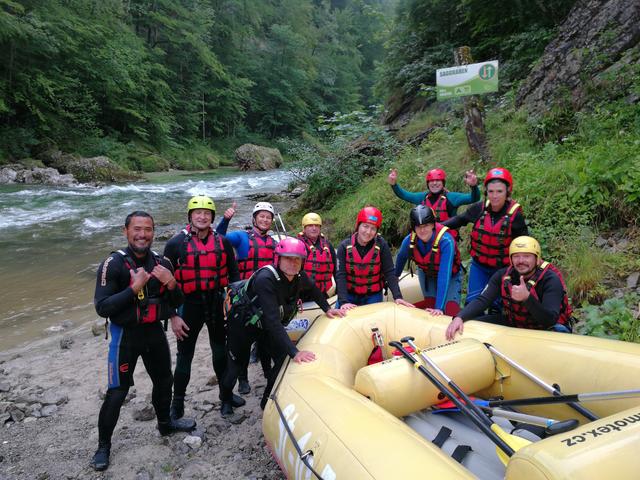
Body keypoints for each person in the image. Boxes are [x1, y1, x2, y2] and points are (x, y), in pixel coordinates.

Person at [91, 211, 195, 471]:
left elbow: (177, 302)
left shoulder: (162, 263)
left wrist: (171, 284)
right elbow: (102, 307)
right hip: (125, 336)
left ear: (153, 232)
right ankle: (103, 446)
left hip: (153, 334)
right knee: (117, 392)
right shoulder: (113, 264)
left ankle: (165, 424)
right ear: (125, 231)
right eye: (137, 229)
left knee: (164, 381)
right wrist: (133, 288)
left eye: (147, 229)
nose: (142, 234)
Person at [219, 237, 345, 415]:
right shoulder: (266, 278)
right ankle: (225, 399)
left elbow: (314, 290)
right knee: (236, 365)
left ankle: (266, 400)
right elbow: (273, 320)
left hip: (265, 325)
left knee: (281, 361)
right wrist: (295, 352)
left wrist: (327, 309)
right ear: (278, 258)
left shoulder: (299, 276)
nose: (293, 263)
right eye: (288, 258)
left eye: (297, 259)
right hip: (243, 324)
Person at [163, 195, 245, 421]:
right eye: (197, 213)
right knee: (184, 357)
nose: (202, 216)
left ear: (212, 218)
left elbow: (234, 272)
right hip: (188, 305)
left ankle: (226, 396)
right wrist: (171, 315)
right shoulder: (175, 244)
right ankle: (177, 403)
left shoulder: (222, 241)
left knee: (220, 353)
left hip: (216, 303)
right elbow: (162, 282)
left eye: (207, 213)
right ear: (190, 216)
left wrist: (234, 295)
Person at [445, 236, 573, 340]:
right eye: (516, 256)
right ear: (511, 259)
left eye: (527, 256)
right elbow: (482, 300)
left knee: (558, 330)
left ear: (537, 259)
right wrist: (459, 317)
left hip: (547, 328)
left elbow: (549, 319)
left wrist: (527, 298)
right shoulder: (502, 275)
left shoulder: (550, 279)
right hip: (516, 323)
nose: (521, 261)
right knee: (472, 322)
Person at [443, 167, 528, 306]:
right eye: (491, 191)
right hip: (479, 267)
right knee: (472, 303)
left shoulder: (515, 216)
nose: (494, 196)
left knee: (498, 306)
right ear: (486, 192)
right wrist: (436, 227)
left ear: (507, 192)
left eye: (499, 191)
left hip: (503, 269)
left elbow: (525, 244)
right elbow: (459, 220)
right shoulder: (479, 208)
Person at [224, 202, 278, 394]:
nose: (264, 219)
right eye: (261, 216)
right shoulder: (241, 237)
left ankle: (267, 374)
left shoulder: (274, 244)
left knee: (265, 340)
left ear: (272, 221)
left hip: (264, 298)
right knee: (242, 344)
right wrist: (226, 219)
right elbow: (219, 239)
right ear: (254, 218)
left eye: (268, 217)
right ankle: (243, 378)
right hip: (243, 299)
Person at [335, 206, 415, 310]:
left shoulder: (382, 245)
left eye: (373, 228)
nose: (368, 232)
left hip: (372, 296)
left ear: (376, 231)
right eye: (365, 226)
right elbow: (340, 275)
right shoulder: (344, 246)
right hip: (349, 295)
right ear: (358, 226)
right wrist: (343, 301)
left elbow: (389, 272)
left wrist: (397, 296)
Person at [395, 205, 462, 316]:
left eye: (426, 225)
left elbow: (444, 275)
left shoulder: (446, 241)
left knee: (450, 309)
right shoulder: (408, 240)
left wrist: (439, 308)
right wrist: (395, 277)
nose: (422, 230)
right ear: (413, 227)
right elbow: (401, 258)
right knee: (430, 305)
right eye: (418, 226)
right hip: (427, 274)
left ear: (433, 225)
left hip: (450, 277)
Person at [387, 167, 480, 239]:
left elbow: (474, 198)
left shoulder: (452, 197)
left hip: (446, 239)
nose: (434, 183)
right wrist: (394, 185)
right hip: (427, 239)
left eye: (438, 180)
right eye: (431, 181)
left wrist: (474, 186)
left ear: (443, 183)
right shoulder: (422, 197)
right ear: (428, 184)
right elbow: (404, 195)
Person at [297, 212, 337, 298]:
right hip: (304, 294)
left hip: (325, 292)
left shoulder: (327, 245)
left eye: (317, 225)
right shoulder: (298, 245)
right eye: (310, 225)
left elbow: (335, 270)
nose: (314, 228)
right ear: (304, 228)